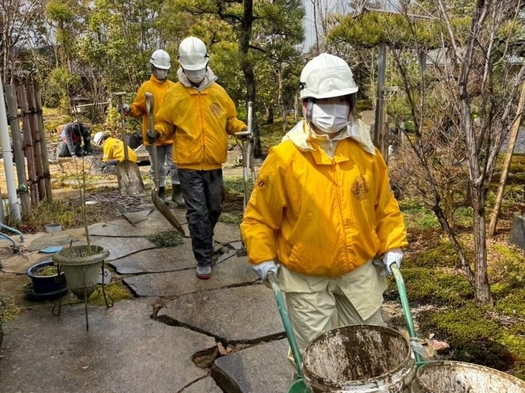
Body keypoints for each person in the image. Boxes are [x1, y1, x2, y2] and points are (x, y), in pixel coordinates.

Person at [241, 52, 407, 361]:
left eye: (341, 101)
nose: (333, 110)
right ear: (306, 105)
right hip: (305, 278)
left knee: (369, 348)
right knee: (315, 358)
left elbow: (384, 206)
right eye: (324, 102)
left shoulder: (367, 155)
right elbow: (259, 219)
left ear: (351, 104)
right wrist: (262, 257)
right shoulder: (285, 159)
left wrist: (393, 245)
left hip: (357, 271)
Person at [148, 36, 247, 280]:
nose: (195, 74)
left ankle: (203, 236)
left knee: (214, 208)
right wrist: (157, 132)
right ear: (181, 66)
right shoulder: (175, 94)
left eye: (198, 69)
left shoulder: (218, 92)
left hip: (214, 163)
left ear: (206, 64)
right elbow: (164, 123)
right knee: (197, 212)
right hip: (188, 164)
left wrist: (241, 129)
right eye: (190, 70)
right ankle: (203, 257)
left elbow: (230, 120)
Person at [122, 49, 184, 206]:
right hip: (152, 137)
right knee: (158, 169)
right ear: (153, 68)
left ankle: (178, 194)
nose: (162, 72)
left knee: (176, 165)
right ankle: (160, 194)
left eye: (164, 69)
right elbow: (138, 108)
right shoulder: (146, 87)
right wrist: (129, 109)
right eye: (159, 69)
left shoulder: (174, 87)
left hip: (171, 136)